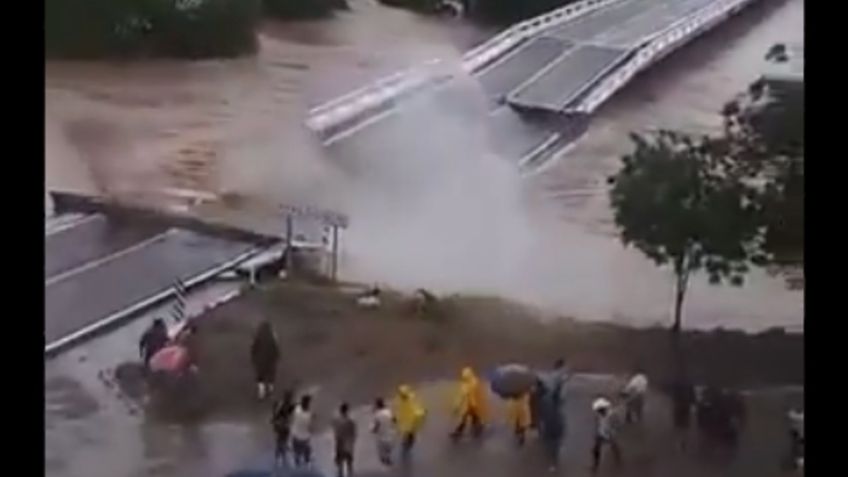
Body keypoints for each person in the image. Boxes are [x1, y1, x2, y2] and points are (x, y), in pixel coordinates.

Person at [450, 367, 487, 440]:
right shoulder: (474, 381)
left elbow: (461, 398)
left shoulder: (465, 386)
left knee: (464, 419)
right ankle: (478, 425)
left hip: (468, 405)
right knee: (473, 416)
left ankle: (458, 431)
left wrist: (456, 407)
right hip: (472, 404)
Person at [539, 384, 566, 472]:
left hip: (551, 428)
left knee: (551, 447)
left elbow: (542, 415)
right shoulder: (554, 404)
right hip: (554, 428)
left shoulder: (545, 401)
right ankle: (553, 461)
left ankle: (553, 462)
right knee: (553, 447)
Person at [591, 397, 622, 474]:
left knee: (614, 446)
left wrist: (612, 431)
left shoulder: (612, 414)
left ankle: (618, 457)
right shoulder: (599, 415)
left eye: (599, 410)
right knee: (596, 449)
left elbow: (617, 424)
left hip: (610, 433)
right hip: (601, 433)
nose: (598, 411)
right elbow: (598, 423)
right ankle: (595, 465)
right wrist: (597, 432)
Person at [394, 385, 426, 458]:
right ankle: (407, 441)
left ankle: (409, 442)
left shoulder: (410, 401)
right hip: (405, 421)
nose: (402, 395)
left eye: (403, 394)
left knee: (410, 433)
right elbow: (398, 409)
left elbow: (416, 409)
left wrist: (422, 413)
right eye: (401, 393)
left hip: (412, 421)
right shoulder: (400, 400)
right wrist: (395, 417)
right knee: (406, 432)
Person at [250, 321, 280, 399]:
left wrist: (254, 358)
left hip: (260, 360)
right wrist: (276, 357)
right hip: (270, 359)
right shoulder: (273, 336)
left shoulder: (258, 336)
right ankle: (270, 391)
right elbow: (276, 348)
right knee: (271, 376)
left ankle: (261, 393)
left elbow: (253, 348)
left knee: (260, 377)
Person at [670, 375, 696, 451]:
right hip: (685, 406)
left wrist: (674, 403)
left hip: (679, 406)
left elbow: (673, 395)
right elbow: (692, 395)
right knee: (684, 425)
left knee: (678, 426)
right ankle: (683, 442)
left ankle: (679, 443)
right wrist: (693, 405)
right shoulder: (689, 384)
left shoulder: (676, 384)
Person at [271, 390, 296, 467]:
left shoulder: (289, 406)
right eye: (288, 397)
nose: (289, 399)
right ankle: (279, 460)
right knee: (280, 443)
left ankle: (283, 460)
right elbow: (276, 415)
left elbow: (291, 410)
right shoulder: (282, 405)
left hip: (284, 426)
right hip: (281, 425)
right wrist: (275, 422)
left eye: (289, 397)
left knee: (283, 442)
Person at [333, 403, 358, 477]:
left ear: (340, 411)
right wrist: (352, 442)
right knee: (349, 462)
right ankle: (350, 474)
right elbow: (353, 433)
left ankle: (340, 474)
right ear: (347, 410)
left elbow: (336, 433)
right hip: (348, 444)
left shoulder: (336, 420)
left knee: (340, 463)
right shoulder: (351, 421)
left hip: (340, 443)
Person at [290, 394, 315, 468]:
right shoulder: (308, 414)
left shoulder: (297, 410)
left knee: (298, 450)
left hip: (296, 434)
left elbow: (293, 409)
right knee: (307, 449)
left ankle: (298, 459)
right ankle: (306, 460)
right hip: (304, 436)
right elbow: (310, 427)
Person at [372, 397, 396, 466]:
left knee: (382, 453)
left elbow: (376, 426)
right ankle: (388, 459)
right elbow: (394, 420)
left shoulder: (377, 414)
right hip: (390, 435)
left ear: (377, 405)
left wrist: (372, 430)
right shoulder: (389, 412)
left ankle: (385, 460)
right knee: (388, 449)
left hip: (381, 436)